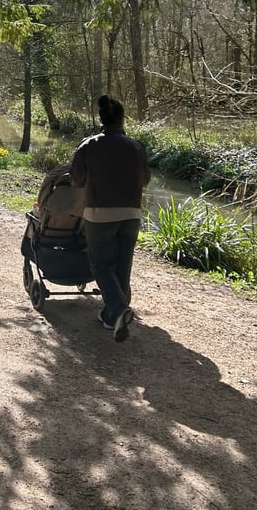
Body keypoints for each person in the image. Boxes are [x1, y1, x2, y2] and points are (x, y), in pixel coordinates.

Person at [69, 95, 150, 343]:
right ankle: (109, 315)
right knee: (122, 264)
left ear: (100, 119)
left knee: (101, 264)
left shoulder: (89, 145)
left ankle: (118, 308)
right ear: (122, 119)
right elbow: (145, 180)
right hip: (132, 214)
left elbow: (77, 178)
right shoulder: (136, 146)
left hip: (100, 213)